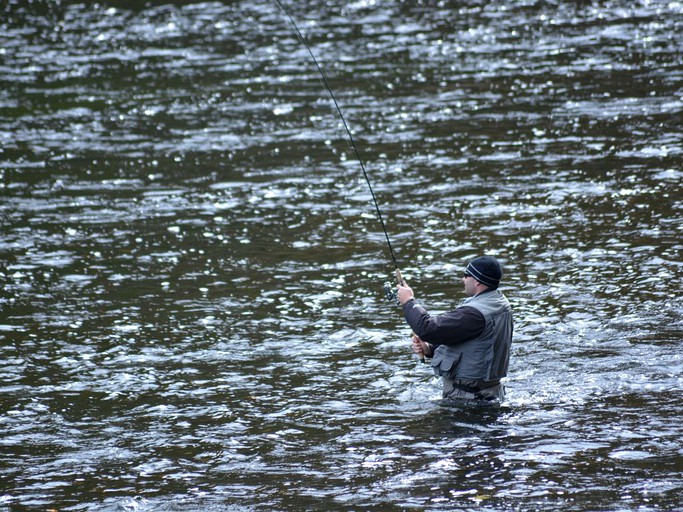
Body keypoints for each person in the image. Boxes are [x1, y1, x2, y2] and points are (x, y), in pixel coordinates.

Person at [396, 255, 513, 403]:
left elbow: (427, 329)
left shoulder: (473, 313)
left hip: (467, 401)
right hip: (490, 394)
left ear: (477, 280)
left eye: (466, 275)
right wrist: (429, 348)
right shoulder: (500, 302)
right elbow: (473, 339)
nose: (462, 280)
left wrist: (409, 302)